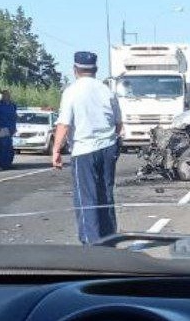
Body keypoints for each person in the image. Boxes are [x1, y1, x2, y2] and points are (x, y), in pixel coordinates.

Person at [52, 51, 123, 245]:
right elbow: (118, 124)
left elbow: (64, 124)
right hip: (108, 148)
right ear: (96, 70)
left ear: (75, 70)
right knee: (106, 194)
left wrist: (56, 150)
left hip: (83, 150)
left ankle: (90, 242)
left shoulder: (71, 91)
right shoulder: (107, 91)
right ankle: (109, 239)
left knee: (86, 197)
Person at [0, 89, 18, 170]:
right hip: (2, 128)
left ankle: (8, 164)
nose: (6, 96)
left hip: (10, 129)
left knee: (9, 148)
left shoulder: (12, 105)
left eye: (8, 95)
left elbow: (14, 117)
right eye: (5, 95)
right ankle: (2, 165)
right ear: (2, 96)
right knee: (2, 147)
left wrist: (14, 128)